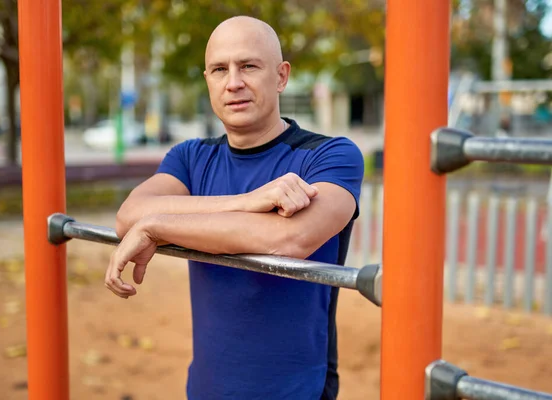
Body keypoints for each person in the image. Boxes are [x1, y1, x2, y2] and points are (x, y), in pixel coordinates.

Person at [106, 15, 364, 400]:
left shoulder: (329, 156)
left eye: (248, 66)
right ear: (207, 79)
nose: (233, 82)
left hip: (299, 392)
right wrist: (248, 202)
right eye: (219, 69)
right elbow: (130, 215)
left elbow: (289, 238)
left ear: (281, 76)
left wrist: (159, 224)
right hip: (207, 389)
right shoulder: (191, 157)